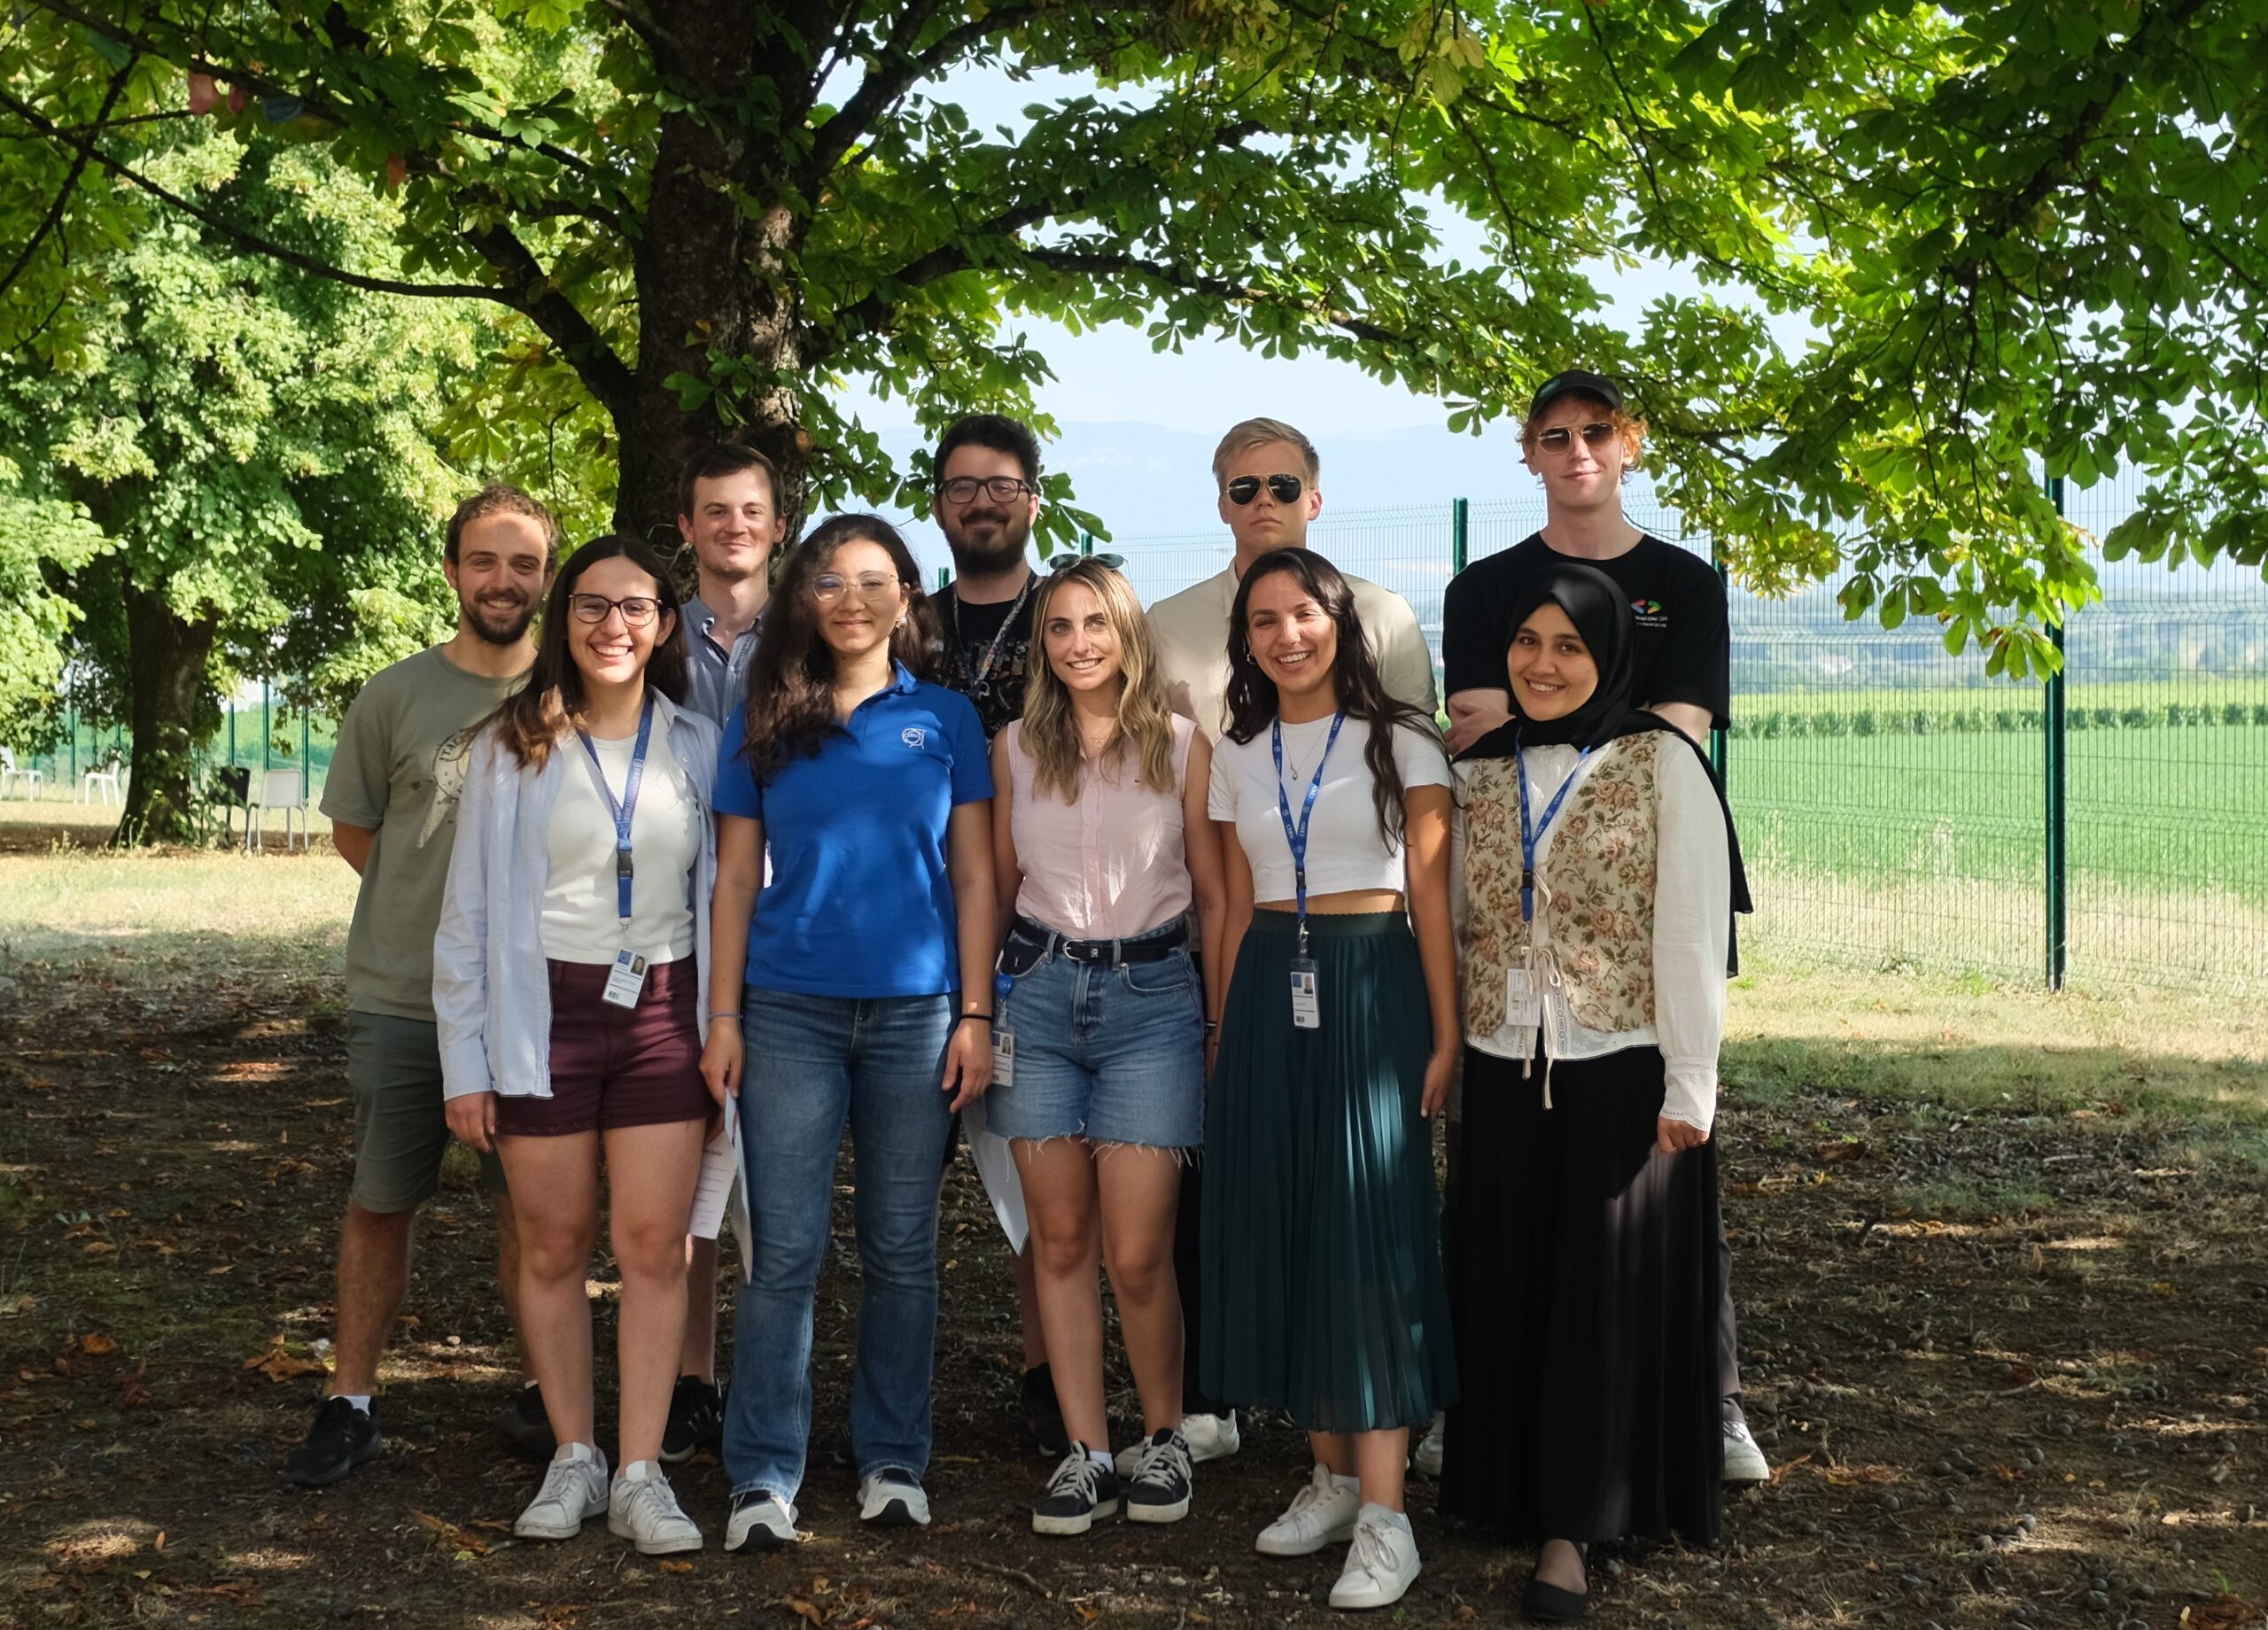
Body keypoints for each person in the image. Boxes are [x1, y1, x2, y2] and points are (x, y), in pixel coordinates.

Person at [1437, 369, 1764, 1486]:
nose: (1576, 451)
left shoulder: (1682, 581)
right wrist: (1579, 722)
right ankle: (1494, 1399)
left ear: (1629, 446)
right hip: (1520, 914)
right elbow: (1480, 724)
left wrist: (1596, 741)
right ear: (1527, 453)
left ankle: (1704, 1397)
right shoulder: (1487, 583)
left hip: (1642, 882)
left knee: (1666, 1153)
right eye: (1552, 436)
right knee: (1518, 1177)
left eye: (1596, 434)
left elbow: (1672, 729)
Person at [1437, 562, 1745, 1619]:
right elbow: (1450, 921)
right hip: (1500, 1061)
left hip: (1621, 1069)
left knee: (1595, 1296)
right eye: (1526, 643)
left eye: (1568, 646)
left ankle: (1573, 1524)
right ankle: (1506, 1487)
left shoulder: (1661, 763)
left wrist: (1691, 1082)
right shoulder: (1474, 770)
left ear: (1610, 654)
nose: (1542, 664)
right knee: (1512, 1277)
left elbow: (1694, 929)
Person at [1145, 417, 1440, 1474]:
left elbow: (1428, 860)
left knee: (1365, 1205)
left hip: (1369, 964)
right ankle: (1298, 1445)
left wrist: (1439, 1022)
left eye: (1279, 484)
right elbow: (1210, 866)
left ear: (1314, 497)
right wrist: (1222, 1007)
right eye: (1239, 488)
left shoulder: (1391, 662)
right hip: (1249, 953)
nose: (1259, 500)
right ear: (1218, 501)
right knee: (1265, 1197)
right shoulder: (1176, 643)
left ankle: (1386, 1466)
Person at [703, 516, 998, 1551]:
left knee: (902, 1249)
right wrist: (725, 1014)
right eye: (831, 579)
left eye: (876, 580)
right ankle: (763, 1473)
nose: (854, 598)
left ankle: (891, 1458)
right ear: (803, 598)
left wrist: (975, 1011)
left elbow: (973, 875)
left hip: (919, 1014)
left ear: (907, 597)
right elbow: (735, 878)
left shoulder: (948, 720)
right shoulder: (764, 716)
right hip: (786, 1010)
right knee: (783, 1251)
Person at [434, 536, 719, 1553]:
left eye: (635, 607)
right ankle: (574, 1454)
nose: (613, 626)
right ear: (564, 622)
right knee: (552, 1245)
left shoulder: (697, 743)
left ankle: (641, 1472)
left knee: (654, 1246)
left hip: (661, 1012)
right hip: (540, 1013)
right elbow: (466, 917)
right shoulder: (510, 745)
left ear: (665, 625)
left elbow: (726, 894)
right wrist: (465, 1064)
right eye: (592, 607)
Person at [1201, 547, 1459, 1611]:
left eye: (1301, 614)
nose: (1284, 635)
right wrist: (1224, 1032)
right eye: (1262, 621)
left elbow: (1435, 901)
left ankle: (1390, 1517)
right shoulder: (1235, 749)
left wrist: (1443, 1035)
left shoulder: (1403, 740)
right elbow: (1225, 903)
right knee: (1291, 1220)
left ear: (1337, 622)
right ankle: (1334, 1476)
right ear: (1246, 639)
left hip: (1373, 984)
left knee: (1369, 1234)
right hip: (1270, 986)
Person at [286, 485, 558, 1488]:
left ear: (545, 578)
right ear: (451, 571)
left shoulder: (571, 697)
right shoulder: (393, 696)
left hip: (533, 1005)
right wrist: (434, 919)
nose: (503, 580)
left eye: (523, 563)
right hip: (403, 993)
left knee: (530, 1209)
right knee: (380, 1198)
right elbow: (360, 833)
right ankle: (350, 1397)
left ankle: (545, 1393)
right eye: (484, 561)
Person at [987, 557, 1227, 1536]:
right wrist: (979, 1009)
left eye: (1096, 623)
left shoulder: (1180, 745)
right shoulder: (1012, 747)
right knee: (1061, 1241)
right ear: (1041, 645)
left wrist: (1214, 1017)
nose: (1078, 642)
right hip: (1038, 1001)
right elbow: (997, 887)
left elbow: (1212, 894)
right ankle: (1086, 1449)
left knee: (1136, 1252)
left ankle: (1162, 1434)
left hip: (1152, 1000)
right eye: (1058, 627)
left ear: (1128, 635)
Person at [927, 411, 1065, 1457]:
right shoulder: (903, 625)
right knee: (906, 1166)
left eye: (1002, 485)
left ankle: (1048, 1368)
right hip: (916, 923)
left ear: (1032, 499)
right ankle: (898, 1370)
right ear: (938, 504)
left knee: (1035, 1158)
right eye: (964, 485)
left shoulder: (1072, 620)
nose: (983, 500)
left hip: (1050, 924)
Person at [662, 442, 793, 1464]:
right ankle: (689, 1379)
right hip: (667, 917)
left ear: (776, 524)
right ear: (689, 527)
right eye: (716, 510)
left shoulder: (812, 633)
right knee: (689, 1151)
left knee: (784, 1173)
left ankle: (773, 1383)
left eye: (750, 510)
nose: (734, 526)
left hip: (792, 920)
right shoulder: (654, 635)